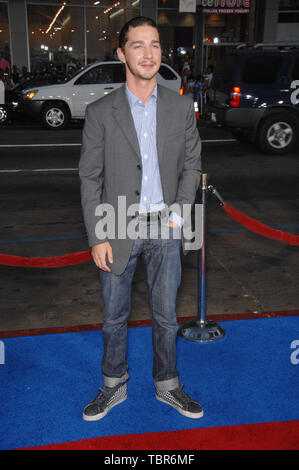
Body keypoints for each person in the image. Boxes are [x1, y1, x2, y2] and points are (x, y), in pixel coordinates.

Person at [79, 16, 203, 422]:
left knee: (166, 314)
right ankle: (112, 385)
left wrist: (179, 214)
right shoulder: (100, 111)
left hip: (167, 226)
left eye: (154, 45)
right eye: (137, 45)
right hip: (116, 225)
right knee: (114, 315)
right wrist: (98, 235)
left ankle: (168, 385)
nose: (148, 53)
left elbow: (191, 166)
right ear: (121, 53)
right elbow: (90, 177)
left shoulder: (182, 106)